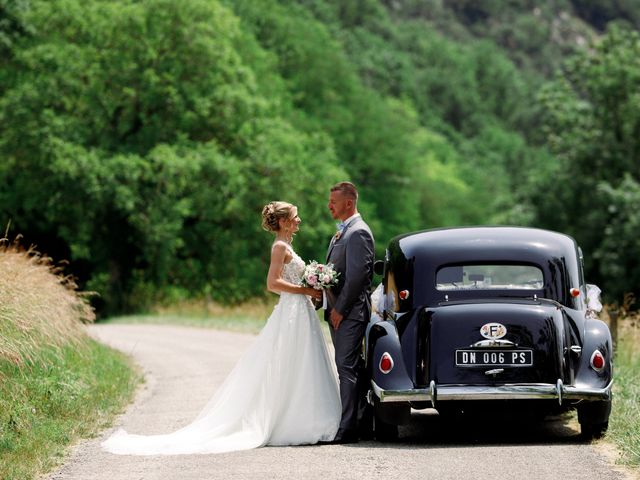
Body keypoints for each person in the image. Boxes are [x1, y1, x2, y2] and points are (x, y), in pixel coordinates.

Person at [101, 201, 340, 455]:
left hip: (299, 312)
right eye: (295, 216)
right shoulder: (280, 247)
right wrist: (305, 289)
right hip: (291, 312)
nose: (299, 220)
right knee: (292, 362)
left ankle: (307, 415)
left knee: (301, 362)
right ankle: (296, 422)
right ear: (283, 222)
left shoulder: (288, 245)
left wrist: (313, 288)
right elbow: (272, 283)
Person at [323, 182, 374, 444]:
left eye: (333, 201)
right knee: (350, 368)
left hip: (350, 313)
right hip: (339, 311)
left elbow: (357, 278)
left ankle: (347, 429)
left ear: (349, 203)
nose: (329, 205)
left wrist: (340, 310)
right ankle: (360, 423)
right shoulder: (342, 233)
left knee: (347, 369)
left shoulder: (358, 233)